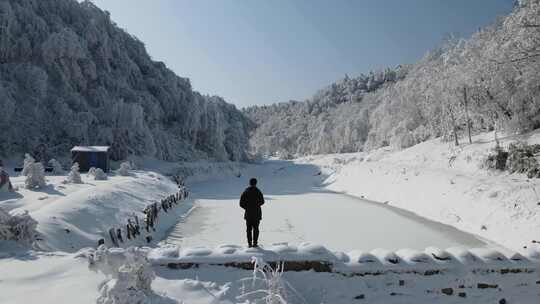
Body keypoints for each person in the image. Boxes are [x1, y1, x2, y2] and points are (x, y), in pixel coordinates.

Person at [239, 178, 265, 248]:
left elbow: (241, 203)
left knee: (248, 229)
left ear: (249, 183)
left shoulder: (246, 191)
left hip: (248, 214)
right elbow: (262, 201)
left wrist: (247, 208)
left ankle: (249, 244)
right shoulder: (258, 191)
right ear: (256, 183)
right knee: (256, 229)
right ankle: (255, 243)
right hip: (257, 214)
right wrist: (256, 206)